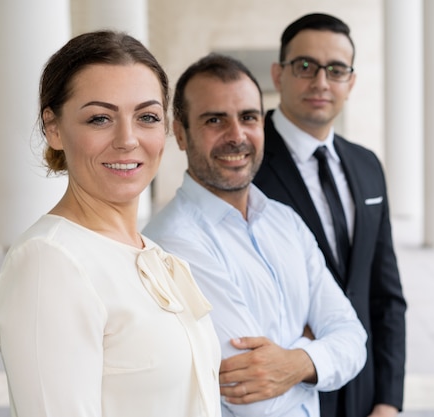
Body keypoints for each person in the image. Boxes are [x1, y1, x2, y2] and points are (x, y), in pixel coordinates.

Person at [0, 30, 221, 417]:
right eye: (100, 118)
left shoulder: (152, 254)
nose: (127, 139)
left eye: (147, 117)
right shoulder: (50, 262)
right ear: (54, 128)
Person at [143, 53, 367, 417]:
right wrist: (311, 348)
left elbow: (354, 340)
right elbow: (254, 399)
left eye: (248, 117)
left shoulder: (286, 221)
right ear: (181, 134)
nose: (237, 136)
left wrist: (294, 361)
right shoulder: (171, 244)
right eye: (214, 120)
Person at [252, 13, 407, 417]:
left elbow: (385, 295)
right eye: (305, 66)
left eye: (336, 70)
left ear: (350, 82)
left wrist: (389, 401)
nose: (321, 82)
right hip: (287, 391)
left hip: (365, 387)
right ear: (278, 74)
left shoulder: (367, 165)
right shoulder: (246, 164)